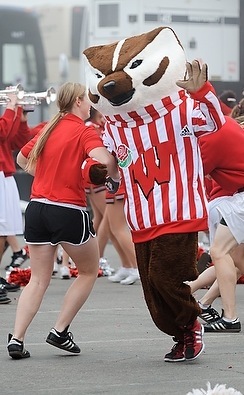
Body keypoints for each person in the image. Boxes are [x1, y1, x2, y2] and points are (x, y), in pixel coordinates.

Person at [7, 81, 120, 359]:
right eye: (87, 100)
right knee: (88, 272)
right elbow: (103, 158)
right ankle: (59, 331)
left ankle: (17, 339)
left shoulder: (49, 127)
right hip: (68, 209)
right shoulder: (83, 131)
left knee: (38, 280)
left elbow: (22, 158)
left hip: (37, 208)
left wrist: (47, 177)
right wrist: (114, 175)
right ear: (79, 102)